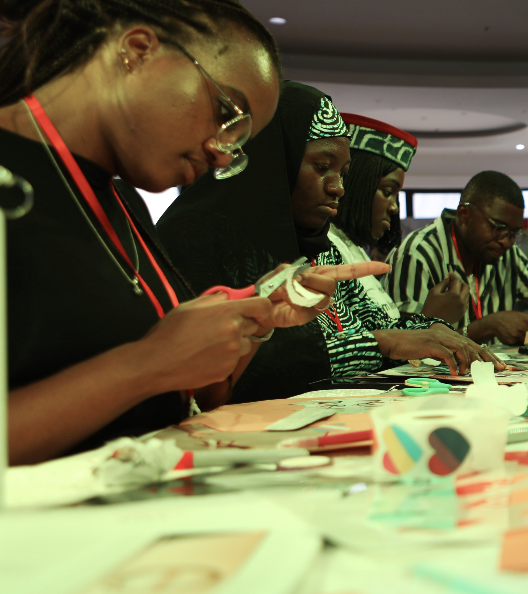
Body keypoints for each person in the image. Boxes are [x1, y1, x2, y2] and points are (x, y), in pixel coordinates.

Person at [0, 0, 372, 464]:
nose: (224, 151)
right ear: (139, 48)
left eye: (240, 139)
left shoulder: (118, 202)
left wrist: (252, 325)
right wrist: (147, 363)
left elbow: (173, 400)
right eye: (227, 112)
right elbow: (140, 373)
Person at [159, 82, 498, 401]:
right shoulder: (199, 235)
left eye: (344, 174)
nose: (338, 188)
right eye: (322, 166)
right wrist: (378, 344)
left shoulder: (318, 246)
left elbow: (382, 327)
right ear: (277, 162)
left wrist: (436, 331)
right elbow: (230, 374)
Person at [383, 170, 528, 345]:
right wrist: (486, 327)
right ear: (465, 214)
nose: (507, 240)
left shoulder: (505, 253)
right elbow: (407, 344)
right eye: (498, 228)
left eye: (514, 233)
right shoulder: (418, 254)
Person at [331, 113, 469, 325]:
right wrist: (431, 320)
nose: (394, 208)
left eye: (397, 195)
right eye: (387, 191)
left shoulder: (354, 250)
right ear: (357, 186)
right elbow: (361, 350)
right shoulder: (329, 249)